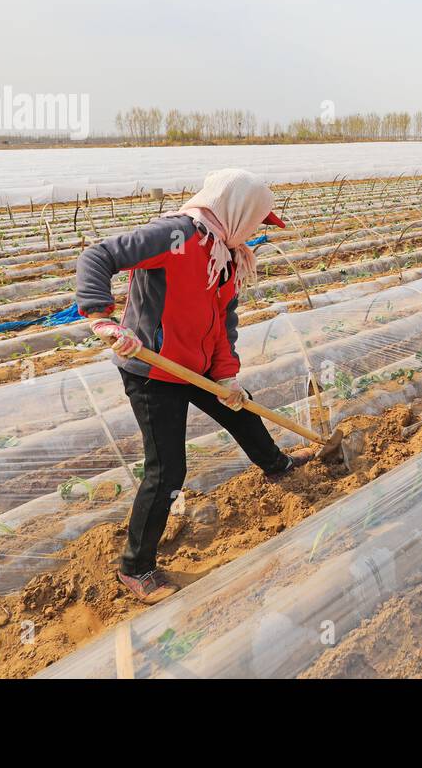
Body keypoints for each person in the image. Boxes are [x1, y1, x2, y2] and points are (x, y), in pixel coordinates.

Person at [75, 168, 293, 604]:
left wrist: (226, 376)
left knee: (241, 409)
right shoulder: (176, 235)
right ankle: (136, 567)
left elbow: (222, 321)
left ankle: (277, 465)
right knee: (167, 468)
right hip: (152, 371)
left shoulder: (227, 255)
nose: (255, 232)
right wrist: (100, 316)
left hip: (197, 366)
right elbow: (98, 256)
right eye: (257, 222)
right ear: (237, 210)